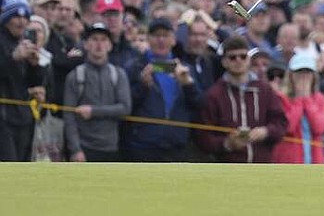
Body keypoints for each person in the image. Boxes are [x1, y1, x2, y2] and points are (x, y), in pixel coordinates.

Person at [196, 36, 287, 163]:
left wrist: (266, 131)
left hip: (262, 166)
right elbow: (203, 137)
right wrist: (227, 143)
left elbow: (281, 123)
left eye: (243, 56)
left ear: (248, 60)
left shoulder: (265, 90)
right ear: (224, 62)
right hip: (228, 168)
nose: (238, 61)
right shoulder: (214, 95)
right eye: (232, 57)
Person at [122, 18, 203, 162]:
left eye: (165, 35)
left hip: (176, 146)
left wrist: (188, 84)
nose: (160, 40)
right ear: (148, 39)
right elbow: (126, 105)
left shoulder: (185, 68)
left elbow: (199, 104)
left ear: (173, 39)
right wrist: (143, 86)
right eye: (156, 36)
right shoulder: (135, 66)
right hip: (143, 146)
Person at [63, 23, 131, 162]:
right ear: (86, 44)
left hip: (111, 147)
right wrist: (75, 150)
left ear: (110, 45)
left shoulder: (118, 74)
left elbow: (125, 108)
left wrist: (93, 111)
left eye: (103, 39)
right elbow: (69, 116)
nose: (99, 44)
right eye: (94, 39)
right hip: (84, 148)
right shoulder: (75, 75)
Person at [0, 0, 46, 161]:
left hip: (24, 118)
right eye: (16, 17)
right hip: (3, 120)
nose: (21, 22)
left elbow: (32, 83)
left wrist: (35, 66)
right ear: (6, 20)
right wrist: (13, 58)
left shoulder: (25, 42)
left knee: (23, 168)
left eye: (25, 17)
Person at [271, 54, 324, 164]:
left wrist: (307, 100)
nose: (303, 77)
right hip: (288, 162)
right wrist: (299, 100)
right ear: (291, 76)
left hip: (315, 161)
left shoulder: (321, 100)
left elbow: (320, 127)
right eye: (299, 73)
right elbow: (287, 127)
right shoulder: (280, 98)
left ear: (313, 76)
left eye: (307, 73)